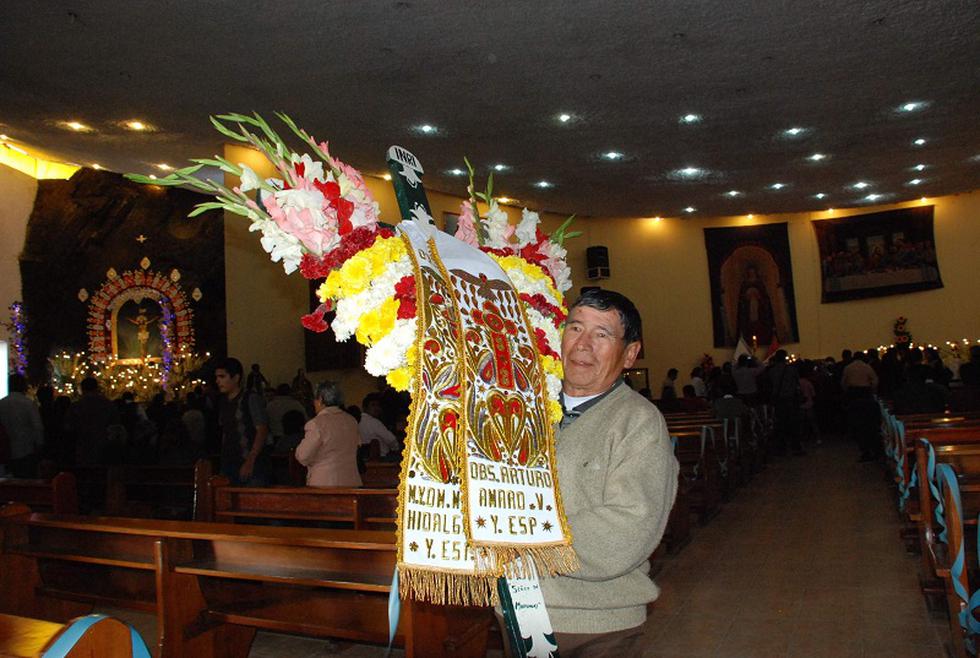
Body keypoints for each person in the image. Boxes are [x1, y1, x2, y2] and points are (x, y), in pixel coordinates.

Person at [535, 288, 678, 655]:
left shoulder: (639, 422)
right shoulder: (526, 410)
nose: (583, 345)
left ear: (630, 354)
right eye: (575, 328)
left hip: (598, 625)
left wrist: (523, 537)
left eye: (602, 335)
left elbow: (629, 526)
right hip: (521, 611)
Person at [295, 381, 362, 487]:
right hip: (351, 481)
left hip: (324, 483)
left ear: (320, 399)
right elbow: (358, 445)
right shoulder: (351, 420)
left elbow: (303, 456)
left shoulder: (316, 424)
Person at [215, 357, 270, 485]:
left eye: (222, 377)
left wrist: (251, 459)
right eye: (217, 377)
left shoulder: (250, 398)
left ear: (236, 378)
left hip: (251, 462)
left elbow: (261, 429)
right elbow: (226, 431)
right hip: (230, 461)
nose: (218, 381)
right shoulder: (223, 402)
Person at [0, 373, 44, 477]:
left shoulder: (2, 403)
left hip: (5, 451)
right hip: (26, 450)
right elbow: (37, 427)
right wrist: (40, 444)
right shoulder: (28, 404)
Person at [68, 377, 119, 465]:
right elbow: (115, 425)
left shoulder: (76, 406)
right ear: (97, 388)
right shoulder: (108, 405)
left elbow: (69, 426)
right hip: (103, 444)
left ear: (82, 389)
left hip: (83, 445)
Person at [841, 350, 880, 462]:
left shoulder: (848, 368)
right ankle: (875, 449)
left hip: (854, 395)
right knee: (870, 423)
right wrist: (872, 390)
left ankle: (865, 451)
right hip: (866, 394)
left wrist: (848, 392)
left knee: (858, 424)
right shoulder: (867, 367)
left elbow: (843, 383)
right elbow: (875, 381)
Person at [767, 350, 803, 455]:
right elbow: (797, 384)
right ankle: (795, 446)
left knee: (780, 424)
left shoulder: (771, 371)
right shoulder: (792, 370)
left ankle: (781, 447)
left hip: (778, 400)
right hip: (790, 399)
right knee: (793, 423)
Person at [358, 393, 400, 459]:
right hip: (380, 458)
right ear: (365, 408)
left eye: (378, 405)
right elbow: (391, 439)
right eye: (373, 405)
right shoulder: (374, 422)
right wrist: (396, 449)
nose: (376, 408)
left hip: (362, 459)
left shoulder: (356, 420)